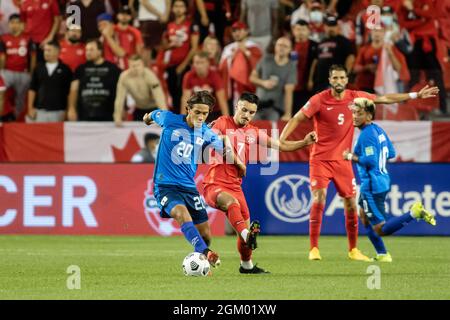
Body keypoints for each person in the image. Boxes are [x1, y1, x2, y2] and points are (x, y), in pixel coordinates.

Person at [280, 64, 439, 261]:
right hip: (320, 159)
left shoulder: (355, 97)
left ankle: (353, 250)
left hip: (343, 162)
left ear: (347, 80)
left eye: (341, 78)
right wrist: (281, 140)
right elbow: (296, 118)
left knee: (351, 205)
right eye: (335, 78)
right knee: (319, 198)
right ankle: (314, 248)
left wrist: (415, 96)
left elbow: (385, 99)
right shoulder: (319, 99)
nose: (338, 81)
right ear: (330, 80)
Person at [203, 92, 317, 274]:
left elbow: (280, 145)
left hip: (235, 186)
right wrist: (235, 159)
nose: (247, 115)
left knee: (244, 227)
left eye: (251, 112)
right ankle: (248, 235)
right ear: (236, 107)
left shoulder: (253, 132)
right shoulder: (222, 123)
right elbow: (214, 141)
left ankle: (246, 265)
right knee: (234, 210)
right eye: (244, 110)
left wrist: (304, 142)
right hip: (214, 183)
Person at [142, 90, 241, 268]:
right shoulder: (169, 119)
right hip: (165, 185)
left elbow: (224, 149)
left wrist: (238, 164)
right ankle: (206, 253)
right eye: (197, 112)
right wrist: (147, 118)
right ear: (188, 109)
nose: (201, 117)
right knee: (181, 213)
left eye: (205, 113)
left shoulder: (207, 133)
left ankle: (200, 258)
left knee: (205, 236)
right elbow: (151, 116)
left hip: (189, 187)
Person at [343, 97, 436, 262]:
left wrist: (350, 156)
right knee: (364, 216)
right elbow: (391, 153)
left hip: (371, 184)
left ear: (369, 116)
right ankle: (382, 254)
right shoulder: (378, 130)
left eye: (360, 113)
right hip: (382, 179)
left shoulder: (366, 135)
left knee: (380, 228)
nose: (355, 116)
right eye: (354, 113)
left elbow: (370, 161)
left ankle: (413, 213)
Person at [68, 39, 121, 121]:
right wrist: (71, 109)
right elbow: (73, 90)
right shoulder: (80, 69)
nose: (88, 52)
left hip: (108, 114)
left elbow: (120, 91)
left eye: (91, 49)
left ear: (100, 51)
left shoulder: (113, 69)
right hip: (84, 114)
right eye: (87, 50)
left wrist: (121, 110)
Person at [249, 36, 297, 121]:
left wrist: (288, 114)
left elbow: (289, 91)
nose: (281, 48)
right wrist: (263, 82)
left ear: (290, 50)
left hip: (274, 108)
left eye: (285, 46)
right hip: (257, 105)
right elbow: (252, 77)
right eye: (279, 45)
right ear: (275, 46)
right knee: (252, 130)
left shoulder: (291, 66)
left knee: (272, 130)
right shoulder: (265, 59)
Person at [0, 13, 36, 119]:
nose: (14, 25)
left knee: (21, 99)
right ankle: (2, 116)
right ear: (8, 24)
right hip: (7, 72)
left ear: (22, 25)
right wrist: (1, 72)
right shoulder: (3, 38)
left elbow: (33, 57)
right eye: (12, 23)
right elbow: (2, 57)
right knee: (1, 92)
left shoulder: (28, 38)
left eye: (17, 23)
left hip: (23, 73)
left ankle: (15, 118)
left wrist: (31, 73)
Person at [114, 54, 166, 126]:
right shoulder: (124, 77)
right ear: (128, 65)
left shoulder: (149, 75)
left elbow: (159, 97)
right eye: (133, 66)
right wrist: (117, 117)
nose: (136, 68)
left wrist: (163, 116)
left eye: (138, 65)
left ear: (142, 65)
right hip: (139, 109)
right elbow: (119, 98)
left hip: (153, 109)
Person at [219, 21, 262, 108]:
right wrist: (231, 57)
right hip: (234, 86)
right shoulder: (228, 48)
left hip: (251, 85)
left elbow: (259, 65)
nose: (237, 33)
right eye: (234, 31)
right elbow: (221, 68)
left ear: (246, 31)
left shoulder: (254, 47)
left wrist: (246, 52)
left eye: (239, 30)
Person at [308, 15, 355, 93]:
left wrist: (344, 77)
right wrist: (310, 79)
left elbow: (351, 58)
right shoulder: (320, 42)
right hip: (320, 81)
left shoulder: (344, 41)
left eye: (333, 26)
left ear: (337, 27)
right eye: (329, 26)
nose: (331, 28)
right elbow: (315, 61)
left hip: (336, 81)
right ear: (325, 27)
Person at [27, 41, 72, 122]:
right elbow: (32, 89)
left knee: (57, 134)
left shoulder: (66, 69)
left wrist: (68, 110)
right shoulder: (38, 68)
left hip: (59, 111)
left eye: (49, 50)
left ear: (57, 52)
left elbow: (69, 92)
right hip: (40, 111)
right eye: (45, 50)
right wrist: (30, 108)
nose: (46, 53)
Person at [181, 51, 228, 121]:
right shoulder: (188, 76)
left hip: (212, 111)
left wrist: (226, 121)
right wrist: (182, 119)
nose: (199, 66)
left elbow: (222, 100)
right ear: (193, 64)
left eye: (202, 62)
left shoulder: (215, 76)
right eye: (197, 63)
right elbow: (185, 99)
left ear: (208, 64)